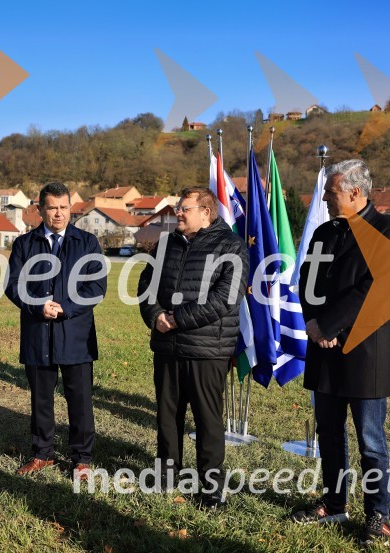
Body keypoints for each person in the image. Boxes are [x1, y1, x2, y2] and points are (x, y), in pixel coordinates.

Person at [292, 159, 390, 547]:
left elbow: (374, 288)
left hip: (365, 353)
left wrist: (330, 326)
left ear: (355, 193)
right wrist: (313, 324)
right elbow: (306, 279)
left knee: (371, 440)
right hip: (323, 350)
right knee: (328, 432)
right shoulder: (325, 233)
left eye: (331, 191)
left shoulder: (389, 231)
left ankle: (378, 515)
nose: (324, 197)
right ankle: (334, 503)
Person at [137, 187, 247, 508]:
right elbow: (146, 285)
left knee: (207, 420)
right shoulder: (166, 244)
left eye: (184, 209)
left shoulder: (231, 246)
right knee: (167, 415)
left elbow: (225, 299)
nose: (178, 214)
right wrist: (156, 315)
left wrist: (177, 318)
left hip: (207, 350)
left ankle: (211, 489)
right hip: (167, 347)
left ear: (206, 213)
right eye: (177, 208)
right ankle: (167, 476)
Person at [5, 182, 107, 478]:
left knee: (80, 400)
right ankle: (42, 453)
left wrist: (66, 308)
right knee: (41, 398)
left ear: (70, 209)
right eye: (53, 208)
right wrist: (39, 307)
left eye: (64, 207)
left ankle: (82, 458)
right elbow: (14, 286)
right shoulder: (25, 244)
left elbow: (96, 287)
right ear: (40, 210)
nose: (59, 214)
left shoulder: (87, 243)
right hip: (38, 333)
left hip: (75, 334)